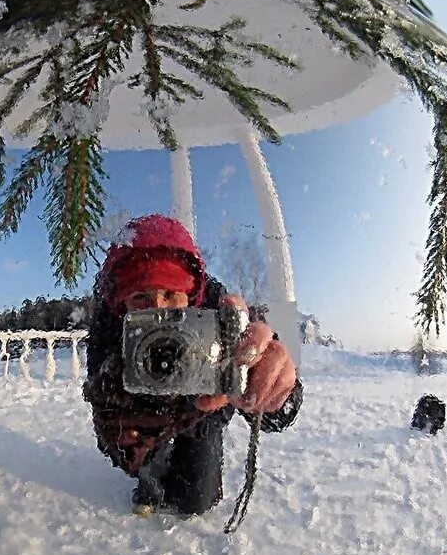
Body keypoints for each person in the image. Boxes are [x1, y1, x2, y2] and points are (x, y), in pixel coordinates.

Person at [83, 215, 302, 517]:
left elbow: (275, 418)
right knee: (140, 460)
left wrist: (273, 386)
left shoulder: (217, 314)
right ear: (121, 306)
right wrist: (121, 430)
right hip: (143, 407)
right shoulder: (108, 325)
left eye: (171, 295)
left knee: (196, 501)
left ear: (192, 296)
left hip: (203, 411)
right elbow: (100, 408)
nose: (158, 311)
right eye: (139, 298)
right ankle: (149, 481)